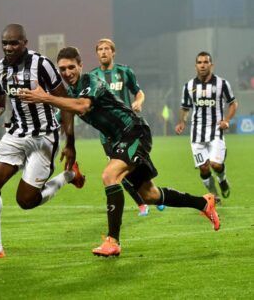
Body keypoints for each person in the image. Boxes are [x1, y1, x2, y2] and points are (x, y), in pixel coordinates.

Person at [18, 46, 220, 257]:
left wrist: (45, 98)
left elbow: (81, 107)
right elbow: (63, 115)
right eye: (62, 69)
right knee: (149, 195)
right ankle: (203, 202)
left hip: (134, 131)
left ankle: (113, 241)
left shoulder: (90, 81)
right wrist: (59, 142)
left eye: (71, 67)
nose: (67, 73)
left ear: (80, 65)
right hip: (119, 139)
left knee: (109, 175)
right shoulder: (69, 92)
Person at [0, 24, 85, 260]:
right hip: (16, 133)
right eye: (5, 43)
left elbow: (65, 104)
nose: (9, 48)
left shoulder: (42, 65)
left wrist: (70, 143)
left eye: (14, 43)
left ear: (25, 43)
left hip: (43, 136)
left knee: (26, 201)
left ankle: (69, 175)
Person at [90, 38, 164, 216]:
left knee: (138, 169)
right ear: (97, 53)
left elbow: (138, 91)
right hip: (107, 134)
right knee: (118, 173)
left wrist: (138, 102)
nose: (103, 52)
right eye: (100, 49)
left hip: (129, 129)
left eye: (107, 48)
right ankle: (142, 204)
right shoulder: (92, 77)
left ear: (113, 52)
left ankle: (156, 196)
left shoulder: (124, 72)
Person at [175, 51, 238, 201]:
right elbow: (185, 107)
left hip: (216, 130)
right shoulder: (189, 86)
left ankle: (222, 180)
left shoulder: (222, 84)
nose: (202, 65)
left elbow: (233, 103)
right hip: (197, 133)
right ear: (196, 65)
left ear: (211, 65)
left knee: (215, 164)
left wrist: (227, 120)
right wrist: (182, 121)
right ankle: (214, 195)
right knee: (203, 167)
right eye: (200, 62)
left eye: (205, 62)